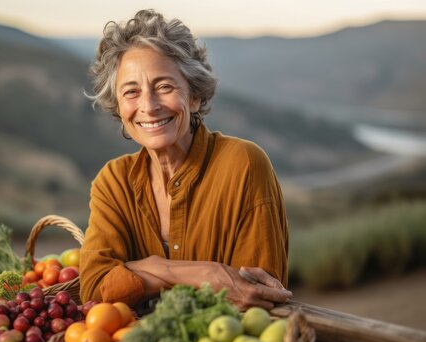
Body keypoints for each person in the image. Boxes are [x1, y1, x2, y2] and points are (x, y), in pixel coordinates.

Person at [79, 9, 292, 311]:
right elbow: (94, 290)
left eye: (164, 87)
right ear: (119, 107)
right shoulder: (112, 183)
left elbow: (253, 299)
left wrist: (138, 273)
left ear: (194, 96)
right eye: (131, 92)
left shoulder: (243, 164)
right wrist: (203, 273)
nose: (148, 107)